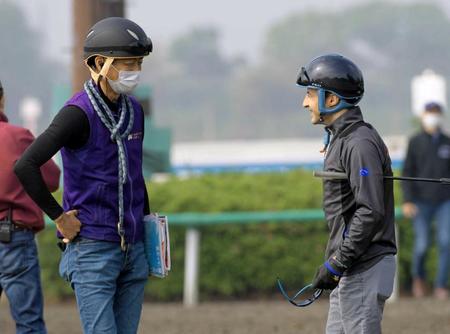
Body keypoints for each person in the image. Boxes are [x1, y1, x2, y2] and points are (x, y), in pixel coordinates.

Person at [14, 17, 152, 334]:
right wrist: (59, 217)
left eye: (138, 63)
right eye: (127, 62)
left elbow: (135, 177)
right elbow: (26, 165)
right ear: (99, 63)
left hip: (134, 250)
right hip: (92, 250)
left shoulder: (135, 111)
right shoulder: (76, 113)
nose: (135, 71)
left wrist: (149, 234)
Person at [296, 54, 397, 333]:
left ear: (331, 100)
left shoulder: (359, 143)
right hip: (353, 269)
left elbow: (371, 210)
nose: (305, 102)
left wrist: (338, 262)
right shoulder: (344, 138)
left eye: (310, 94)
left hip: (363, 266)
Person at [0, 80, 60, 333]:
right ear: (1, 98)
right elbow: (52, 179)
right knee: (28, 323)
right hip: (12, 235)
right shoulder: (16, 136)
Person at [401, 101, 450, 300]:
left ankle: (440, 285)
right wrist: (407, 200)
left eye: (436, 113)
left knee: (445, 242)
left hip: (445, 201)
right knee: (421, 245)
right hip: (420, 201)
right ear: (423, 115)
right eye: (430, 113)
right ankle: (418, 279)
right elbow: (407, 172)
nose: (433, 116)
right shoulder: (415, 141)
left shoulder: (447, 142)